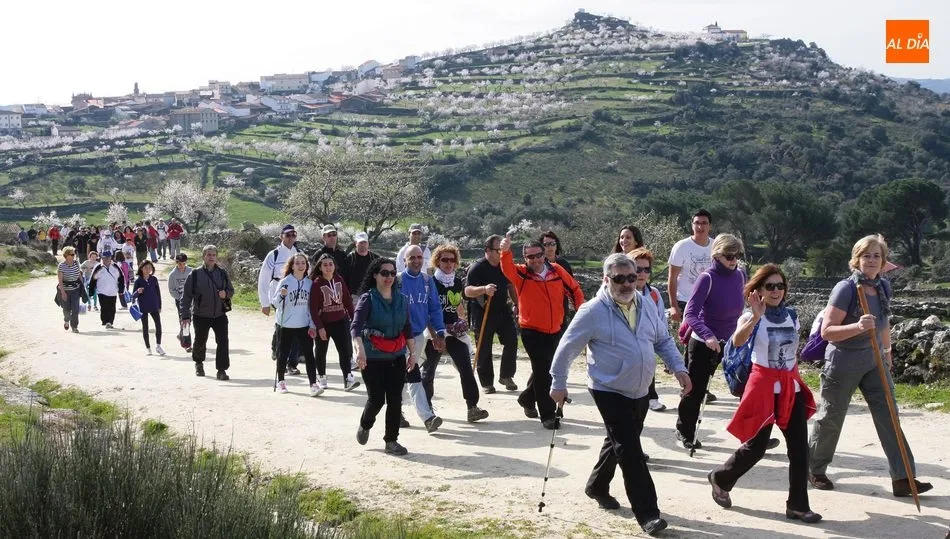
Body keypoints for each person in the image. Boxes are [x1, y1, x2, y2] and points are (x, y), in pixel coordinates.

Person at [550, 253, 691, 537]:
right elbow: (567, 347)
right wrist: (558, 382)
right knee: (630, 450)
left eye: (632, 276)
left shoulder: (647, 303)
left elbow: (662, 339)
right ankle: (648, 514)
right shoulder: (592, 311)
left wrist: (679, 368)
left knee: (619, 441)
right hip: (607, 388)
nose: (628, 284)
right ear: (606, 279)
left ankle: (597, 486)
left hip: (639, 388)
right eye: (620, 278)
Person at [808, 235, 933, 497]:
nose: (872, 260)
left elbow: (883, 322)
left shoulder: (883, 287)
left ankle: (903, 478)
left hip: (874, 360)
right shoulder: (845, 289)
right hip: (843, 361)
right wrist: (857, 326)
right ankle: (815, 469)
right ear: (857, 259)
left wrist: (887, 351)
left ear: (883, 260)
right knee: (831, 417)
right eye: (867, 255)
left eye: (877, 256)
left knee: (890, 414)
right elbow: (828, 332)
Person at [708, 264, 821, 523]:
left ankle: (798, 506)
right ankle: (721, 477)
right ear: (758, 290)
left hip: (791, 387)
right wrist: (756, 317)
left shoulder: (792, 315)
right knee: (755, 448)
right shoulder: (749, 316)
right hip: (763, 388)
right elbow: (736, 341)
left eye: (780, 286)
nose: (775, 291)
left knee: (799, 450)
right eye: (769, 286)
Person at [500, 236, 585, 429]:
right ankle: (547, 414)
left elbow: (574, 289)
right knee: (545, 372)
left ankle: (526, 398)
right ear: (525, 258)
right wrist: (505, 251)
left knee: (546, 369)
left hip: (555, 329)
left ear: (543, 255)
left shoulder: (557, 270)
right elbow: (506, 268)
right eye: (530, 257)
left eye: (538, 255)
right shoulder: (521, 274)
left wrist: (581, 312)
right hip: (532, 331)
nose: (535, 260)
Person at [675, 233, 746, 451]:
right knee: (695, 390)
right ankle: (685, 431)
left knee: (745, 387)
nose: (733, 259)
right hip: (704, 343)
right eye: (728, 255)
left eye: (737, 255)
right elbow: (691, 313)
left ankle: (752, 436)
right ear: (717, 255)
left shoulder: (741, 275)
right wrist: (707, 335)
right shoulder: (707, 278)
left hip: (732, 341)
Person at [351, 257, 415, 456]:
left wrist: (413, 353)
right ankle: (365, 424)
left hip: (396, 356)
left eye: (392, 273)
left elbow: (407, 328)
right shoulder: (368, 299)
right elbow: (356, 327)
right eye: (384, 273)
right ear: (375, 275)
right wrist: (359, 350)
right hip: (372, 357)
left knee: (395, 399)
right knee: (377, 399)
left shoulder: (401, 299)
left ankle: (391, 441)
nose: (389, 277)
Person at [420, 244, 489, 423]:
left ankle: (472, 407)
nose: (448, 263)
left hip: (454, 330)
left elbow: (457, 303)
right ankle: (427, 412)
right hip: (435, 331)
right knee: (429, 371)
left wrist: (461, 318)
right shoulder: (430, 282)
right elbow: (425, 309)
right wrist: (435, 334)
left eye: (452, 260)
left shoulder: (457, 282)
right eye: (444, 260)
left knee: (466, 368)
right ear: (437, 261)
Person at [400, 245, 447, 432]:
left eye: (419, 257)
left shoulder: (428, 281)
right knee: (411, 376)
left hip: (418, 336)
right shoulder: (397, 281)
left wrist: (439, 333)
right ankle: (427, 417)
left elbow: (434, 309)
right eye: (412, 257)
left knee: (408, 375)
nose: (417, 260)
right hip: (399, 338)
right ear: (405, 260)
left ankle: (398, 412)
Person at [464, 235, 519, 394]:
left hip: (502, 310)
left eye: (502, 250)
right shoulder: (477, 268)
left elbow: (511, 286)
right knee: (484, 347)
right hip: (482, 311)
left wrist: (517, 304)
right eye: (498, 250)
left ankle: (506, 376)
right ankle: (487, 383)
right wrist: (483, 289)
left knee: (512, 341)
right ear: (487, 251)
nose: (501, 253)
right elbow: (467, 291)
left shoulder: (504, 266)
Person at [180, 245, 234, 380]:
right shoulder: (195, 274)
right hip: (201, 315)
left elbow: (231, 290)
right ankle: (199, 363)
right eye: (208, 255)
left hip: (220, 315)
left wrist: (225, 293)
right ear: (203, 257)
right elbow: (186, 296)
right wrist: (185, 316)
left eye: (214, 255)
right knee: (200, 341)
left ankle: (221, 370)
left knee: (223, 342)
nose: (211, 257)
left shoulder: (222, 273)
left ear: (217, 257)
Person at [258, 225, 305, 372]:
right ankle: (281, 359)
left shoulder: (300, 254)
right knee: (283, 327)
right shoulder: (274, 255)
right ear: (281, 236)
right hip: (278, 294)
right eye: (287, 235)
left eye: (293, 235)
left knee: (297, 327)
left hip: (296, 296)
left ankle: (292, 363)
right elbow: (264, 278)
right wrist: (265, 302)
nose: (291, 237)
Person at [309, 253, 359, 391]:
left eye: (330, 264)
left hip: (340, 321)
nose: (328, 267)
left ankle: (348, 378)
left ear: (334, 266)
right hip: (324, 322)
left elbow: (348, 301)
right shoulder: (316, 283)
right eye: (325, 265)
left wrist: (354, 319)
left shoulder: (339, 279)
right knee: (321, 351)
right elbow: (313, 309)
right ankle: (322, 377)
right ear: (319, 267)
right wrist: (319, 327)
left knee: (344, 350)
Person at [273, 253, 321, 396]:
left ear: (307, 266)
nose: (300, 266)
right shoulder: (285, 282)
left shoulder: (310, 283)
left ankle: (313, 384)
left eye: (303, 263)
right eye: (297, 263)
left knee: (309, 355)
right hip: (286, 324)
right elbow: (275, 303)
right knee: (282, 354)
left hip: (303, 324)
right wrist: (282, 295)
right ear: (292, 266)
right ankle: (281, 381)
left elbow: (311, 307)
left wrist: (312, 324)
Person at [627, 248, 668, 412]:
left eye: (647, 269)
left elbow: (662, 323)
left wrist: (667, 356)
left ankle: (651, 397)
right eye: (638, 269)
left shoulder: (654, 294)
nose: (642, 274)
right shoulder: (616, 294)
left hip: (647, 344)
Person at [667, 209, 713, 323]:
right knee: (686, 339)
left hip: (709, 303)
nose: (700, 226)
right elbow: (672, 278)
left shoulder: (716, 246)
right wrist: (673, 306)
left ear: (710, 226)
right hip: (685, 301)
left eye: (704, 223)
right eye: (697, 223)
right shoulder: (681, 247)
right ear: (692, 226)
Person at [132, 260, 165, 356]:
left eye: (150, 268)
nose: (148, 270)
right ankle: (148, 347)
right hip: (143, 307)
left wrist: (159, 305)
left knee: (158, 325)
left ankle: (158, 346)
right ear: (141, 269)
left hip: (154, 306)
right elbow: (133, 296)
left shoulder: (154, 279)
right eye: (146, 268)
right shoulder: (138, 281)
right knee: (145, 327)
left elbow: (158, 293)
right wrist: (138, 291)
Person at [89, 250, 124, 329]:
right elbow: (93, 280)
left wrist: (121, 289)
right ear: (102, 258)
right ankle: (105, 321)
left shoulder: (115, 266)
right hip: (102, 291)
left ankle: (110, 322)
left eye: (108, 258)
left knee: (112, 308)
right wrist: (91, 291)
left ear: (111, 257)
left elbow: (121, 278)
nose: (106, 259)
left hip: (113, 291)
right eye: (104, 258)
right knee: (104, 307)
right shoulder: (98, 267)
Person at [343, 232, 379, 305]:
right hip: (354, 296)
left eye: (364, 242)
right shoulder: (350, 258)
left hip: (371, 295)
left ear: (368, 243)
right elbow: (344, 278)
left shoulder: (375, 258)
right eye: (360, 243)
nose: (363, 245)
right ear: (356, 243)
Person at [57, 247, 86, 333]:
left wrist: (82, 286)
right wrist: (63, 293)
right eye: (72, 254)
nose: (74, 256)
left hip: (75, 289)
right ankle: (66, 320)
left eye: (74, 254)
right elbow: (60, 281)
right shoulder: (61, 266)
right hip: (65, 290)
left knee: (75, 309)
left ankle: (74, 326)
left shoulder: (76, 263)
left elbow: (79, 275)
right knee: (66, 309)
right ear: (66, 255)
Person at [168, 253, 192, 319]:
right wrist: (179, 298)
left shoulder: (191, 271)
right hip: (179, 299)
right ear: (176, 263)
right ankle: (182, 329)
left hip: (190, 298)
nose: (182, 266)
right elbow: (171, 289)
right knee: (182, 316)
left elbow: (195, 285)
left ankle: (188, 328)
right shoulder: (172, 275)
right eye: (180, 264)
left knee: (190, 316)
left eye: (184, 264)